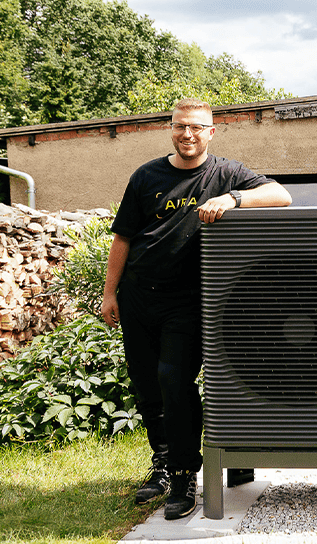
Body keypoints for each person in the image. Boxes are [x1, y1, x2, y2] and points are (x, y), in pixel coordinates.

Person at [101, 98, 292, 520]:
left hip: (188, 300)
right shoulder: (146, 175)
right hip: (138, 295)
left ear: (211, 131)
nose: (187, 134)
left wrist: (234, 200)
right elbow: (123, 238)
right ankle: (163, 463)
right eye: (180, 127)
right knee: (148, 385)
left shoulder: (225, 173)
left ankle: (185, 473)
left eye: (196, 128)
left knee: (174, 379)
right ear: (171, 129)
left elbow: (282, 195)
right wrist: (110, 292)